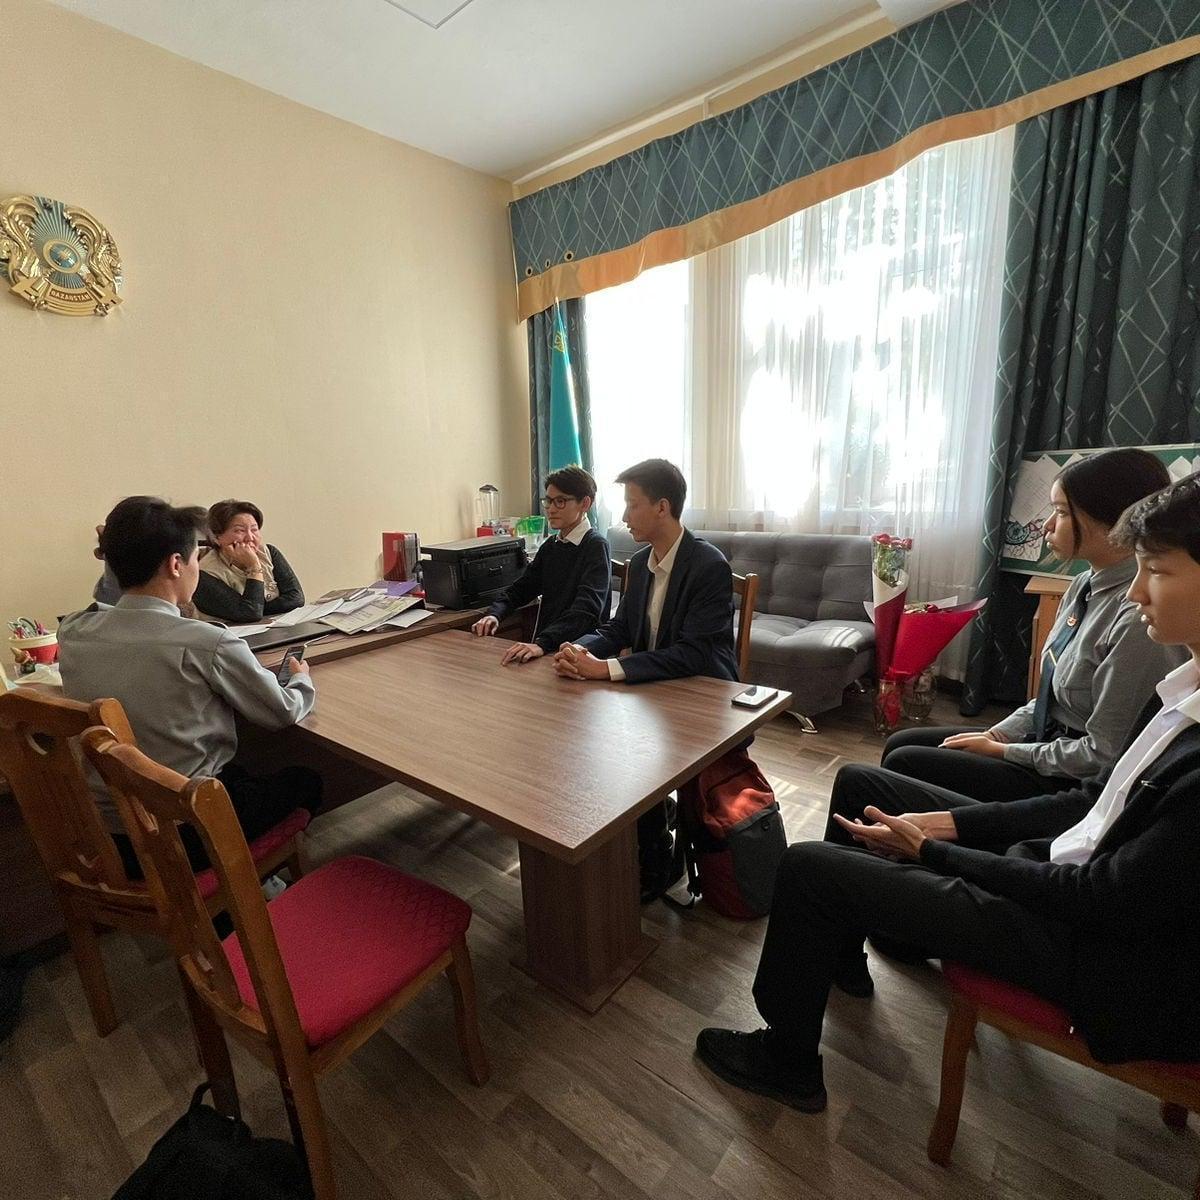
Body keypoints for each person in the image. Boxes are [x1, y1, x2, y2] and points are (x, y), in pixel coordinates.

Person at [695, 471, 1200, 1114]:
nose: (1135, 590)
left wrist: (934, 851)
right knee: (859, 780)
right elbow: (1093, 803)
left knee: (808, 867)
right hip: (1061, 869)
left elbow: (1097, 897)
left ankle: (787, 1061)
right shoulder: (1181, 697)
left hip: (1089, 950)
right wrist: (952, 825)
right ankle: (842, 947)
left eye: (1156, 570)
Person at [882, 449, 1180, 801]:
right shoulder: (1083, 585)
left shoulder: (1136, 619)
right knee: (901, 743)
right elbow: (1048, 700)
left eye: (1062, 512)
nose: (1047, 525)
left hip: (1074, 779)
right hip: (1047, 738)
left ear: (1114, 521)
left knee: (906, 761)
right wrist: (998, 735)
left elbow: (1104, 755)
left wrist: (1006, 751)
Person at [59, 496, 321, 877]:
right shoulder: (206, 642)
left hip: (113, 833)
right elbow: (282, 711)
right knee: (306, 780)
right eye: (197, 558)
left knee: (241, 772)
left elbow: (105, 600)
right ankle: (250, 888)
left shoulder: (73, 632)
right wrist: (301, 680)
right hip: (187, 830)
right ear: (176, 564)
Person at [554, 458, 738, 898]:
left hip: (702, 695)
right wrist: (579, 649)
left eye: (632, 505)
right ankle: (646, 827)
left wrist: (607, 669)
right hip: (654, 688)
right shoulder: (639, 563)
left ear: (662, 507)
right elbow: (619, 628)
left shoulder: (708, 565)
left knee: (627, 750)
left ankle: (656, 858)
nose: (623, 516)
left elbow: (694, 654)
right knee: (588, 734)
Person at [470, 465, 611, 664]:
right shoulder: (551, 545)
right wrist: (495, 614)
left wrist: (543, 643)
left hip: (580, 655)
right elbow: (521, 589)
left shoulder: (595, 546)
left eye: (560, 501)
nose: (551, 509)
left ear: (585, 503)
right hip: (547, 647)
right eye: (548, 501)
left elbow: (586, 611)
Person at [193, 498, 304, 623]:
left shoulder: (268, 552)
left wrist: (258, 607)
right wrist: (254, 566)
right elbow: (250, 614)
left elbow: (296, 598)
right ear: (217, 537)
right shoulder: (203, 574)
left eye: (254, 529)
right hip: (227, 633)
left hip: (276, 629)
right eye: (240, 531)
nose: (250, 537)